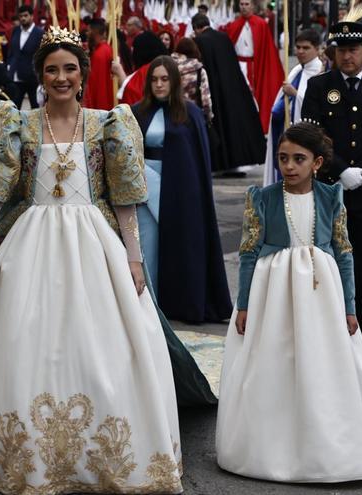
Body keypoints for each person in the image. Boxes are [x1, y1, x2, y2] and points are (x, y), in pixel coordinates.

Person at [0, 26, 210, 493]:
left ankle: (102, 454)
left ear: (82, 74)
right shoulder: (19, 125)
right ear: (40, 75)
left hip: (93, 244)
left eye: (70, 69)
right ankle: (15, 452)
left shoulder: (109, 123)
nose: (61, 77)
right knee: (19, 336)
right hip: (30, 242)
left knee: (106, 344)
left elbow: (123, 198)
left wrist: (135, 258)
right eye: (52, 69)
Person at [216, 122, 362, 482]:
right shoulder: (261, 198)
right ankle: (269, 446)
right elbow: (248, 252)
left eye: (298, 159)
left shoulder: (331, 197)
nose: (288, 166)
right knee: (272, 363)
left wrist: (350, 306)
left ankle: (327, 447)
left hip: (321, 294)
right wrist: (244, 304)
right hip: (272, 291)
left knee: (321, 364)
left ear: (317, 163)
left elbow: (344, 252)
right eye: (282, 158)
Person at [301, 15, 362, 351]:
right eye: (341, 50)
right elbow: (312, 135)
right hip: (330, 184)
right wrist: (341, 169)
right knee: (326, 255)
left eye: (353, 49)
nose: (347, 56)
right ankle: (329, 320)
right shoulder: (319, 85)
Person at [131, 56, 232, 324]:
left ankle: (181, 301)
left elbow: (195, 160)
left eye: (164, 79)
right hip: (143, 187)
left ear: (174, 81)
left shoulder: (190, 114)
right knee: (147, 243)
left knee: (181, 244)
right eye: (154, 79)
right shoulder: (136, 112)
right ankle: (148, 301)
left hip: (180, 189)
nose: (159, 84)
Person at [191, 13, 266, 177]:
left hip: (214, 90)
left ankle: (222, 164)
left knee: (220, 125)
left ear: (196, 28)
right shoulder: (224, 37)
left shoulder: (199, 41)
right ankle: (237, 163)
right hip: (232, 86)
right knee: (233, 123)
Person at [264, 29, 324, 185]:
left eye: (306, 48)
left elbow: (317, 106)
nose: (300, 51)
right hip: (285, 128)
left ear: (317, 49)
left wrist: (296, 94)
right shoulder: (297, 70)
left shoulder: (319, 72)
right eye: (298, 47)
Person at [224, 0, 284, 134]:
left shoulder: (261, 24)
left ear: (252, 6)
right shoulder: (233, 25)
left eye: (247, 4)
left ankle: (254, 123)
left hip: (255, 65)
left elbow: (267, 49)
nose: (244, 7)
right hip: (237, 66)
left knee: (254, 95)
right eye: (242, 4)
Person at [7, 5, 43, 109]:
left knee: (35, 109)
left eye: (25, 15)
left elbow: (41, 55)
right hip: (16, 77)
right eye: (21, 16)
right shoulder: (16, 30)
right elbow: (12, 51)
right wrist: (9, 65)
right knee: (13, 109)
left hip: (32, 78)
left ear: (32, 16)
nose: (23, 18)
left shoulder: (39, 33)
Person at [171, 37, 212, 121]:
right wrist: (208, 116)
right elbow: (205, 98)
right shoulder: (199, 70)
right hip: (194, 115)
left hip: (173, 113)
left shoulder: (169, 67)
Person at [83, 18, 114, 110]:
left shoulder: (99, 54)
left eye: (88, 30)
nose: (87, 33)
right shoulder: (105, 49)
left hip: (100, 106)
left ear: (94, 31)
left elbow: (99, 87)